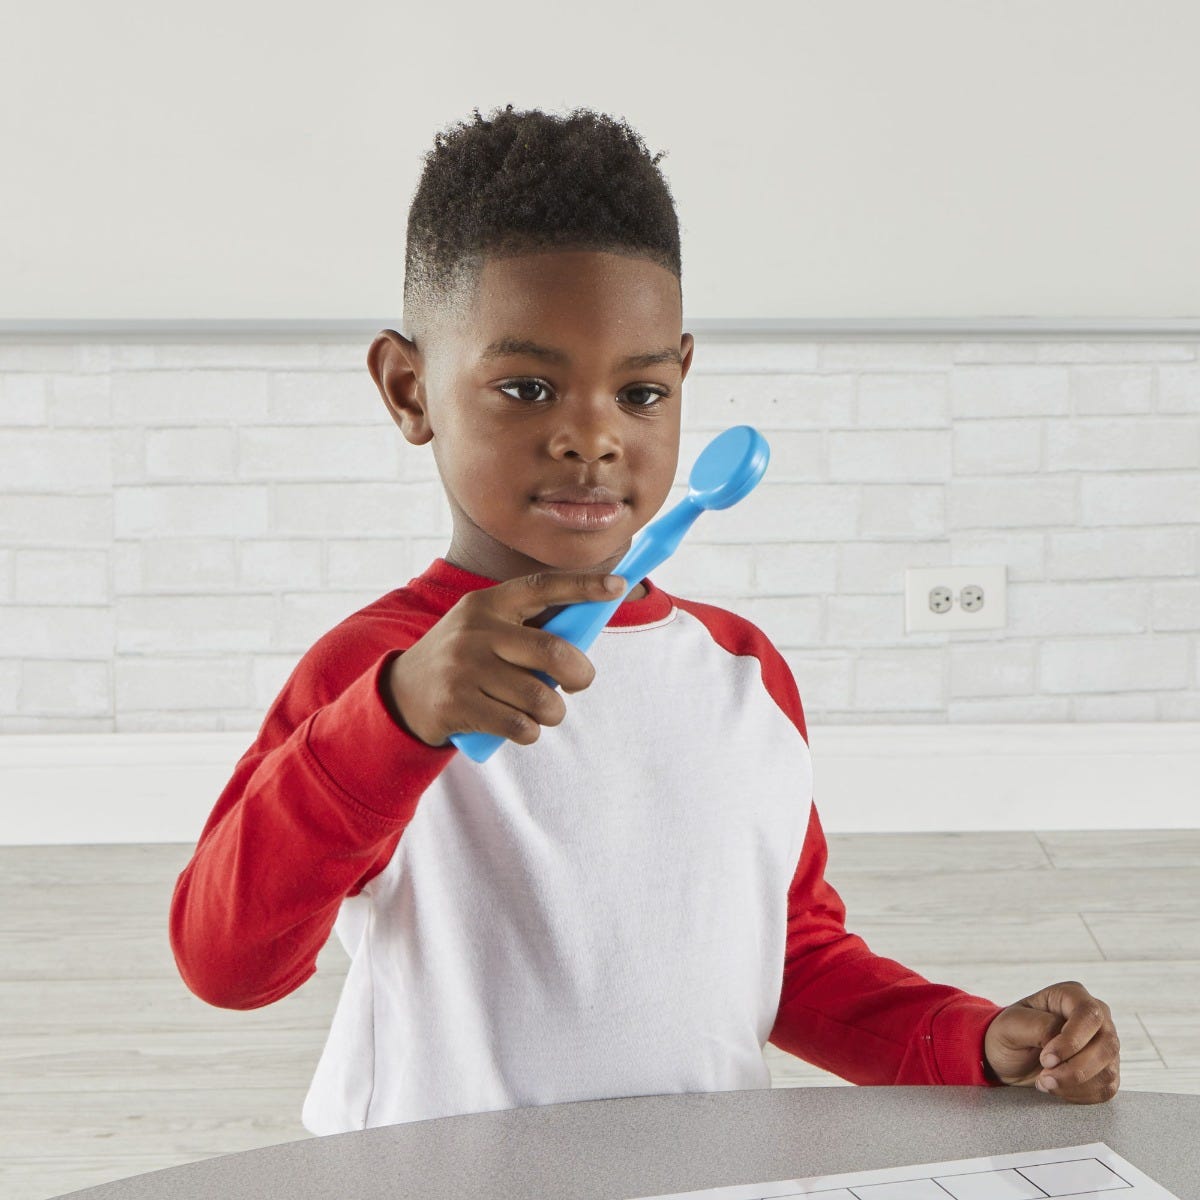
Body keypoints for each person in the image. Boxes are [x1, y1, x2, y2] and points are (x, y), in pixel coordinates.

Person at [169, 104, 1121, 1135]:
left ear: (683, 382)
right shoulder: (378, 672)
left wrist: (972, 1040)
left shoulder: (741, 672)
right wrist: (393, 719)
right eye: (528, 388)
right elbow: (229, 966)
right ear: (411, 389)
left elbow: (787, 957)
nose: (591, 436)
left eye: (641, 392)